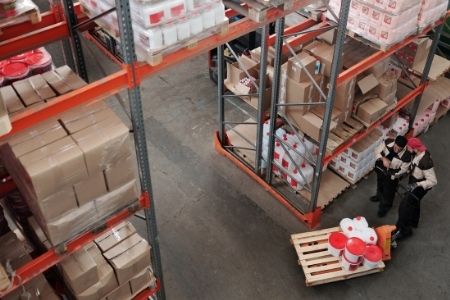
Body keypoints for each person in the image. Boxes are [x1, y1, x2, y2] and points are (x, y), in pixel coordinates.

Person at [394, 138, 437, 240]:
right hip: (414, 180)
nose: (407, 148)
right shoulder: (419, 153)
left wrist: (417, 184)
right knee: (414, 203)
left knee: (404, 208)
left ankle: (404, 231)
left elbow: (433, 181)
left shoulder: (426, 162)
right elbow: (414, 166)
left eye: (408, 147)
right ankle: (413, 222)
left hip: (420, 186)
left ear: (415, 149)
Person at [371, 135, 411, 217]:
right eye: (396, 147)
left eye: (400, 149)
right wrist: (383, 159)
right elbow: (376, 151)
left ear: (403, 148)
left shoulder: (407, 156)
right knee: (380, 183)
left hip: (392, 175)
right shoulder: (388, 142)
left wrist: (392, 175)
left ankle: (385, 207)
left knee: (389, 192)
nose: (397, 150)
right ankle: (379, 196)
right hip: (381, 168)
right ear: (394, 142)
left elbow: (403, 170)